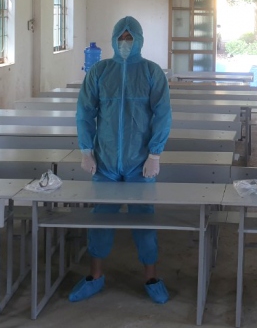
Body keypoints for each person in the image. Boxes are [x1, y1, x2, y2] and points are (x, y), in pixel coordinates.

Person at [71, 16, 172, 304]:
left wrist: (155, 154)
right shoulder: (100, 71)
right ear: (114, 40)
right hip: (105, 160)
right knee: (100, 220)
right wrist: (86, 150)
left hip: (140, 161)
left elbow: (163, 114)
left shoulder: (152, 72)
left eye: (130, 38)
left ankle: (151, 277)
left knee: (144, 220)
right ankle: (95, 275)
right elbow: (85, 112)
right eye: (121, 38)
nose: (125, 42)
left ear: (139, 40)